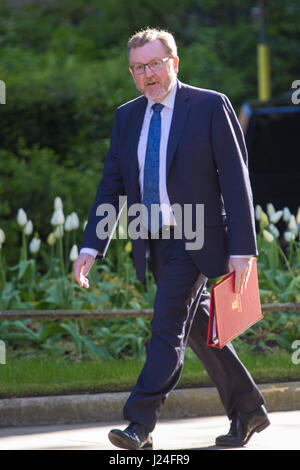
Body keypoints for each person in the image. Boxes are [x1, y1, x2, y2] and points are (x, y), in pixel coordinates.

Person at [74, 28, 270, 450]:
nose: (148, 74)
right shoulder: (127, 117)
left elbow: (237, 181)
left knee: (166, 327)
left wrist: (242, 249)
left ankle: (138, 424)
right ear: (132, 73)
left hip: (200, 235)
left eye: (156, 63)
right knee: (198, 328)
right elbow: (112, 186)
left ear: (174, 63)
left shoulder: (209, 106)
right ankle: (249, 409)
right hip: (154, 240)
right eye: (139, 67)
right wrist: (92, 244)